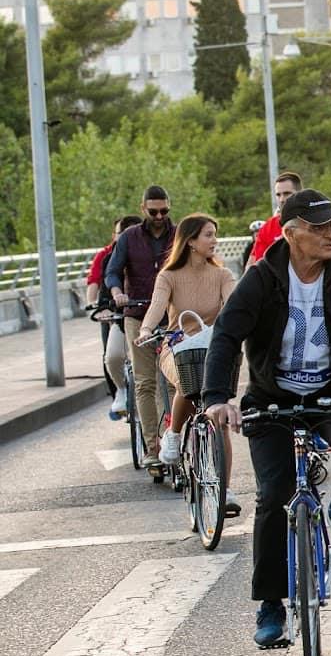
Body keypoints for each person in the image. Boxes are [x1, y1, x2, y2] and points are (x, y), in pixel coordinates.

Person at [202, 189, 331, 647]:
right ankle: (271, 604)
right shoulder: (262, 277)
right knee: (274, 494)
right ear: (292, 234)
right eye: (321, 227)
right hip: (272, 398)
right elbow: (227, 335)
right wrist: (217, 398)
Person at [137, 213, 237, 466]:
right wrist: (146, 329)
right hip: (178, 346)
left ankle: (224, 493)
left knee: (220, 416)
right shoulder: (168, 276)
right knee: (187, 378)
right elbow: (158, 305)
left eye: (215, 234)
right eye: (209, 235)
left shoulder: (222, 275)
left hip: (213, 346)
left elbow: (235, 307)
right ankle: (174, 434)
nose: (215, 240)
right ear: (190, 241)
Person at [105, 186, 178, 467]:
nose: (160, 216)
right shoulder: (128, 237)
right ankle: (152, 446)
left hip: (170, 315)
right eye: (153, 211)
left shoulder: (179, 234)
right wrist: (117, 294)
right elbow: (112, 272)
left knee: (174, 383)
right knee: (146, 382)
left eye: (165, 211)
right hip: (137, 314)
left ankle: (174, 439)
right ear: (143, 209)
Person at [87, 215, 142, 418]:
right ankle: (121, 389)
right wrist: (104, 306)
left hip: (150, 316)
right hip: (123, 317)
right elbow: (102, 285)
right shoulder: (108, 258)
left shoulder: (155, 254)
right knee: (112, 355)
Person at [247, 172, 303, 266]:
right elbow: (253, 264)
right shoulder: (268, 227)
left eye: (287, 193)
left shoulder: (319, 221)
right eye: (278, 195)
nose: (282, 199)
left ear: (300, 194)